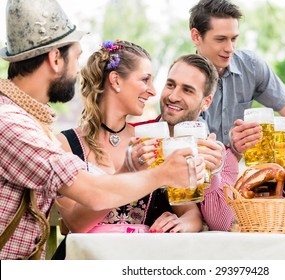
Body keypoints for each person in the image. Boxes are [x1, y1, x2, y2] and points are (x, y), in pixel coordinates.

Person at [0, 0, 203, 260]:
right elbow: (89, 199)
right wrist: (160, 172)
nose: (78, 70)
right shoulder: (13, 124)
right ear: (55, 59)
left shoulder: (33, 125)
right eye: (76, 58)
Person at [55, 40, 203, 236]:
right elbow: (75, 224)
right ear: (115, 80)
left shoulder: (151, 141)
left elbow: (192, 215)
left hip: (137, 259)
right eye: (145, 80)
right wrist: (127, 171)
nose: (153, 91)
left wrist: (181, 224)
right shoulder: (65, 143)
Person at [188, 0, 285, 156]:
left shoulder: (251, 66)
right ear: (196, 36)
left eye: (233, 39)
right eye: (220, 39)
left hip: (240, 172)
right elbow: (195, 151)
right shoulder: (183, 81)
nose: (230, 49)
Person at [130, 54, 237, 231]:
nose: (173, 96)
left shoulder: (222, 155)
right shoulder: (133, 135)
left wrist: (213, 173)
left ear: (206, 102)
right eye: (170, 85)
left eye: (187, 90)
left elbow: (221, 225)